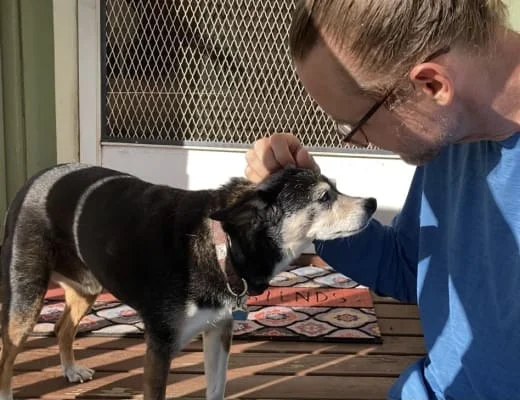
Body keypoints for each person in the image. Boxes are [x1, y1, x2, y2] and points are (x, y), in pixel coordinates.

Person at [244, 1, 520, 399]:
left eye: (355, 123)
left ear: (431, 85)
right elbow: (409, 268)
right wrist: (318, 211)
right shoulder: (458, 131)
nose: (357, 141)